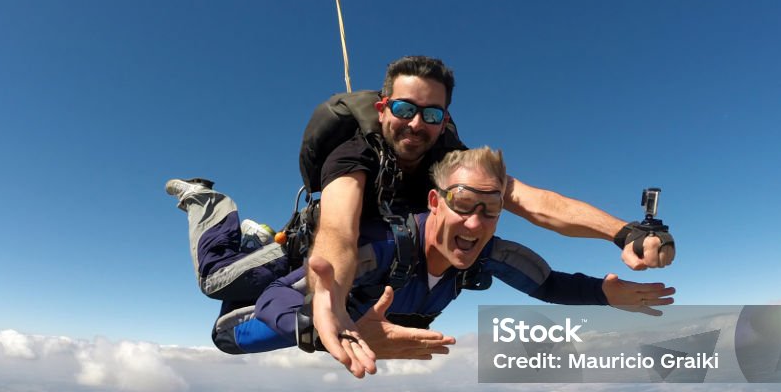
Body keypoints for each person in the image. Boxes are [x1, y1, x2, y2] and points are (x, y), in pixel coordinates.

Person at [307, 55, 676, 376]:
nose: (417, 124)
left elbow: (536, 203)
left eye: (431, 114)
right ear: (382, 108)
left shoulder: (453, 160)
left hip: (412, 281)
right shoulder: (354, 156)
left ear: (444, 119)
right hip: (360, 275)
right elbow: (339, 228)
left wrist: (625, 233)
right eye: (405, 109)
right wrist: (331, 301)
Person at [168, 149, 674, 362]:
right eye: (463, 206)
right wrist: (334, 329)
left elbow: (548, 284)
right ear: (435, 202)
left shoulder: (486, 254)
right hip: (302, 265)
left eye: (491, 211)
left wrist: (605, 294)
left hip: (347, 318)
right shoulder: (378, 250)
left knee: (227, 340)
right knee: (217, 292)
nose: (475, 224)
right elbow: (279, 297)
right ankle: (215, 207)